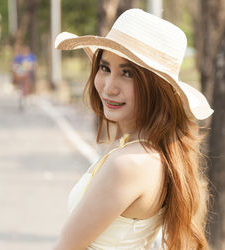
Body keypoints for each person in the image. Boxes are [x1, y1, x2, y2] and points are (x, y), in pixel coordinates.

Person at [53, 9, 214, 250]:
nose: (109, 87)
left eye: (127, 74)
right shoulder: (156, 152)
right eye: (105, 68)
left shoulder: (130, 163)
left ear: (156, 88)